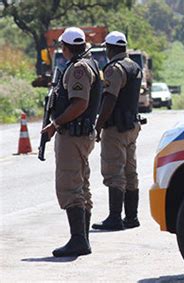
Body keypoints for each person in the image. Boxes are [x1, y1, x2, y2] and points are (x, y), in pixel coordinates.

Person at [41, 27, 101, 257]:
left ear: (66, 47)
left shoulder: (78, 69)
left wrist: (55, 124)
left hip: (73, 135)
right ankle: (82, 238)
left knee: (70, 185)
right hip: (80, 134)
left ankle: (78, 240)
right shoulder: (88, 63)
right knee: (81, 185)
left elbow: (79, 103)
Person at [92, 31, 142, 231]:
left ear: (110, 49)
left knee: (114, 171)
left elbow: (110, 99)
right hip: (132, 125)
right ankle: (131, 217)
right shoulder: (134, 66)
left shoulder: (115, 69)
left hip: (116, 128)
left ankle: (114, 218)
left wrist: (98, 125)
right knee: (131, 171)